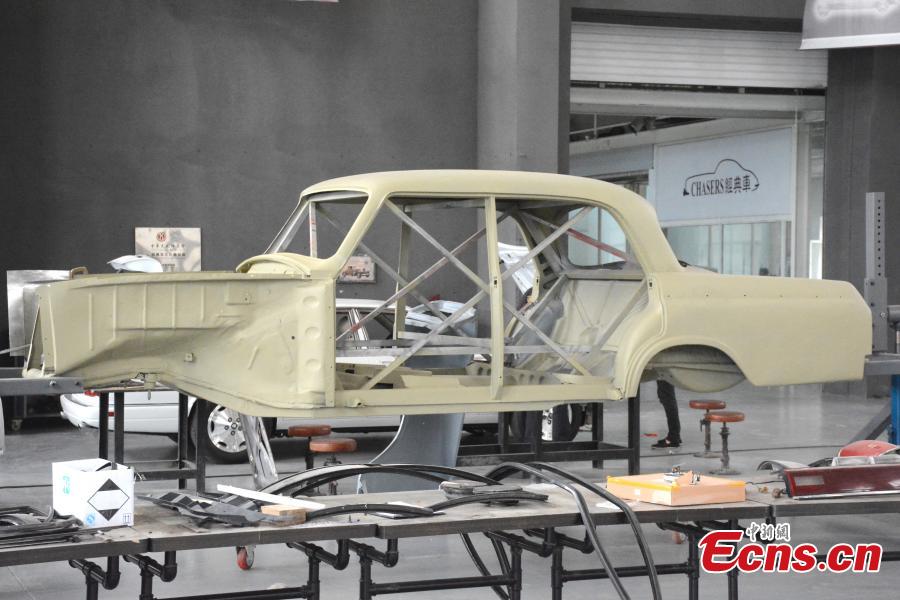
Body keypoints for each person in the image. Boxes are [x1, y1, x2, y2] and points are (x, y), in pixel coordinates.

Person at [651, 379, 681, 448]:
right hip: (664, 374)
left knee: (667, 398)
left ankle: (673, 438)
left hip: (664, 374)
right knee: (667, 397)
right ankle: (675, 436)